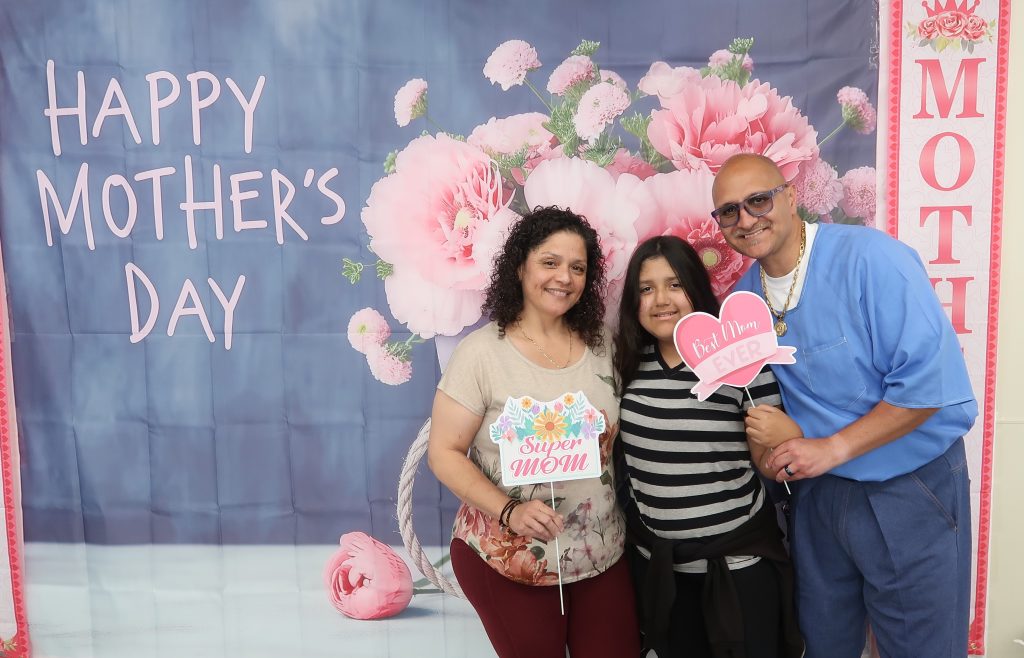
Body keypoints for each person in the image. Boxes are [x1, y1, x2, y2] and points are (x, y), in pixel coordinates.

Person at [712, 153, 977, 657]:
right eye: (729, 211)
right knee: (824, 643)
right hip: (818, 499)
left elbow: (928, 386)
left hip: (909, 486)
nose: (746, 219)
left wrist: (829, 447)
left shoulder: (873, 259)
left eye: (758, 200)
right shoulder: (743, 300)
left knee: (923, 647)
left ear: (790, 197)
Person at [426, 206, 641, 658]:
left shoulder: (605, 345)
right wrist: (509, 511)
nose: (564, 277)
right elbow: (444, 452)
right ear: (520, 265)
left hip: (599, 552)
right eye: (550, 262)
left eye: (577, 267)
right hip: (509, 557)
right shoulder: (482, 354)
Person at [613, 235, 803, 658]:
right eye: (646, 288)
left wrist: (787, 439)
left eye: (675, 284)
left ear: (696, 289)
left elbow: (772, 467)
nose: (661, 299)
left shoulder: (743, 367)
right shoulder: (625, 364)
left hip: (738, 571)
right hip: (662, 572)